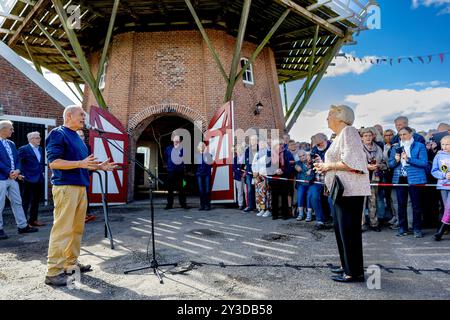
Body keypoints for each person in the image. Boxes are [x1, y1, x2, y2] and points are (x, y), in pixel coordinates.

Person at [45, 105, 117, 286]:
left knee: (76, 229)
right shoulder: (58, 133)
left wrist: (100, 167)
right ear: (69, 116)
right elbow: (54, 163)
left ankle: (70, 264)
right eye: (81, 115)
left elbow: (84, 165)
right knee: (63, 229)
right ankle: (53, 271)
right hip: (65, 188)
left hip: (80, 188)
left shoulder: (78, 138)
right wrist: (81, 163)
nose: (84, 118)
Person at [314, 105, 370, 283]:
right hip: (341, 190)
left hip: (350, 190)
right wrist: (325, 167)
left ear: (341, 117)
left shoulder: (349, 131)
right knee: (341, 230)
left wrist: (327, 166)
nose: (327, 118)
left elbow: (353, 162)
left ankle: (354, 272)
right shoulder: (339, 135)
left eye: (330, 114)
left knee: (349, 231)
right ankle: (347, 265)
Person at [0, 120, 38, 240]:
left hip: (13, 178)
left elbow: (17, 159)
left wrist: (17, 171)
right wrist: (8, 171)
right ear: (3, 129)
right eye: (11, 129)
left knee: (17, 202)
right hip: (1, 178)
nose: (13, 131)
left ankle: (22, 226)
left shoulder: (11, 143)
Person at [388, 126, 428, 238]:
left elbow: (424, 163)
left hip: (415, 178)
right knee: (401, 205)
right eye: (400, 135)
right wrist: (395, 160)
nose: (402, 137)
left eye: (404, 134)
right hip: (400, 178)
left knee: (416, 205)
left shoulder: (419, 146)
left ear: (411, 134)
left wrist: (409, 159)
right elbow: (390, 165)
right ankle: (402, 228)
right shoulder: (396, 147)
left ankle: (417, 229)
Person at [18, 132, 46, 227]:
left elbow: (40, 162)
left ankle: (33, 220)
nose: (39, 139)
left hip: (38, 178)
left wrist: (42, 171)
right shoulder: (24, 149)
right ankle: (24, 222)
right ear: (31, 139)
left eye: (39, 137)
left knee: (36, 201)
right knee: (25, 201)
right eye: (37, 138)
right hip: (28, 178)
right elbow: (19, 162)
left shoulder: (41, 149)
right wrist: (20, 174)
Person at [361, 127, 385, 232]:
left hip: (374, 177)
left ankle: (374, 223)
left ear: (373, 136)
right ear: (361, 138)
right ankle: (361, 224)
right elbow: (354, 164)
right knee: (361, 203)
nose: (368, 137)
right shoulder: (358, 149)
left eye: (370, 135)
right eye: (365, 136)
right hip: (361, 178)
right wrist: (366, 166)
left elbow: (384, 163)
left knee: (373, 201)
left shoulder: (378, 148)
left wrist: (378, 165)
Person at [267, 139, 294, 220]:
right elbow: (267, 166)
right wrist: (275, 170)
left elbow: (291, 166)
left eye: (281, 144)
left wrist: (283, 171)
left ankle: (285, 214)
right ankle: (274, 214)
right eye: (278, 144)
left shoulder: (287, 153)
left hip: (284, 178)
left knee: (284, 197)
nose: (280, 145)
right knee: (274, 197)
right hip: (273, 179)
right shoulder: (270, 154)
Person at [431, 135, 450, 241]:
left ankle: (440, 232)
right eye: (443, 144)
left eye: (447, 144)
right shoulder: (438, 156)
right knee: (446, 208)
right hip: (443, 185)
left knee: (449, 208)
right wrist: (443, 175)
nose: (445, 146)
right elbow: (434, 171)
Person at [76, 129, 96, 223]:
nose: (82, 138)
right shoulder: (72, 146)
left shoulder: (87, 146)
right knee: (77, 196)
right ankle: (78, 216)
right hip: (76, 174)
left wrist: (90, 170)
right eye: (79, 136)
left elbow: (90, 160)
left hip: (85, 174)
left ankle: (86, 214)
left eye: (83, 136)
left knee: (86, 195)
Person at [164, 135, 188, 210]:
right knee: (170, 189)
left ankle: (183, 204)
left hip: (180, 171)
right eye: (175, 139)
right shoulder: (168, 149)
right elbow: (165, 158)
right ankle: (169, 205)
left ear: (180, 141)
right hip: (171, 171)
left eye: (178, 140)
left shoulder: (183, 149)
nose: (176, 141)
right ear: (173, 140)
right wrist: (168, 166)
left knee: (182, 188)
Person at [382, 129, 398, 228]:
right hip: (385, 174)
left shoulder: (395, 146)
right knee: (390, 198)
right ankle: (394, 216)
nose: (388, 137)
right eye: (386, 135)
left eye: (390, 135)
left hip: (393, 172)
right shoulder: (382, 146)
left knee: (395, 197)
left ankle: (398, 217)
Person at [252, 139, 271, 218]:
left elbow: (269, 163)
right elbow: (253, 164)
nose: (261, 145)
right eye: (260, 144)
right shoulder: (257, 154)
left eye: (262, 143)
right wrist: (255, 173)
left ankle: (268, 210)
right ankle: (262, 209)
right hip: (258, 177)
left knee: (267, 194)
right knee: (260, 195)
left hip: (266, 176)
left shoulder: (269, 152)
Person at [295, 150, 314, 221]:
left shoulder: (312, 162)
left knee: (309, 197)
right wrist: (295, 167)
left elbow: (315, 170)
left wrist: (311, 170)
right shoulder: (298, 163)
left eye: (303, 155)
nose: (302, 157)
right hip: (301, 184)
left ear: (306, 155)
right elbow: (294, 166)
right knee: (300, 196)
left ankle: (309, 214)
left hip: (310, 184)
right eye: (300, 156)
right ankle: (301, 214)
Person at [195, 142, 213, 211]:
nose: (201, 147)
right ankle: (202, 205)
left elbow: (210, 163)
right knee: (201, 190)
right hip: (199, 174)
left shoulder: (209, 155)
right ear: (199, 148)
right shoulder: (196, 155)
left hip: (207, 174)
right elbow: (196, 165)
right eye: (200, 146)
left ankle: (207, 205)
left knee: (207, 190)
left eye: (203, 146)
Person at [243, 135, 258, 212]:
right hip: (249, 173)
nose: (253, 141)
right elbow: (246, 161)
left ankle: (259, 206)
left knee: (258, 190)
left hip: (258, 173)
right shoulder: (247, 150)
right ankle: (250, 206)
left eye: (254, 140)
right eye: (252, 140)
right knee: (250, 190)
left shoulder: (260, 148)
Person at [233, 145, 246, 210]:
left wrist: (245, 173)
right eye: (237, 150)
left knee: (246, 191)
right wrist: (241, 174)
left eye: (240, 150)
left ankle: (247, 204)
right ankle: (240, 204)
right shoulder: (235, 158)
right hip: (238, 177)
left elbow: (247, 166)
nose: (239, 151)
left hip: (245, 176)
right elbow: (234, 168)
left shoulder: (245, 157)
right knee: (240, 191)